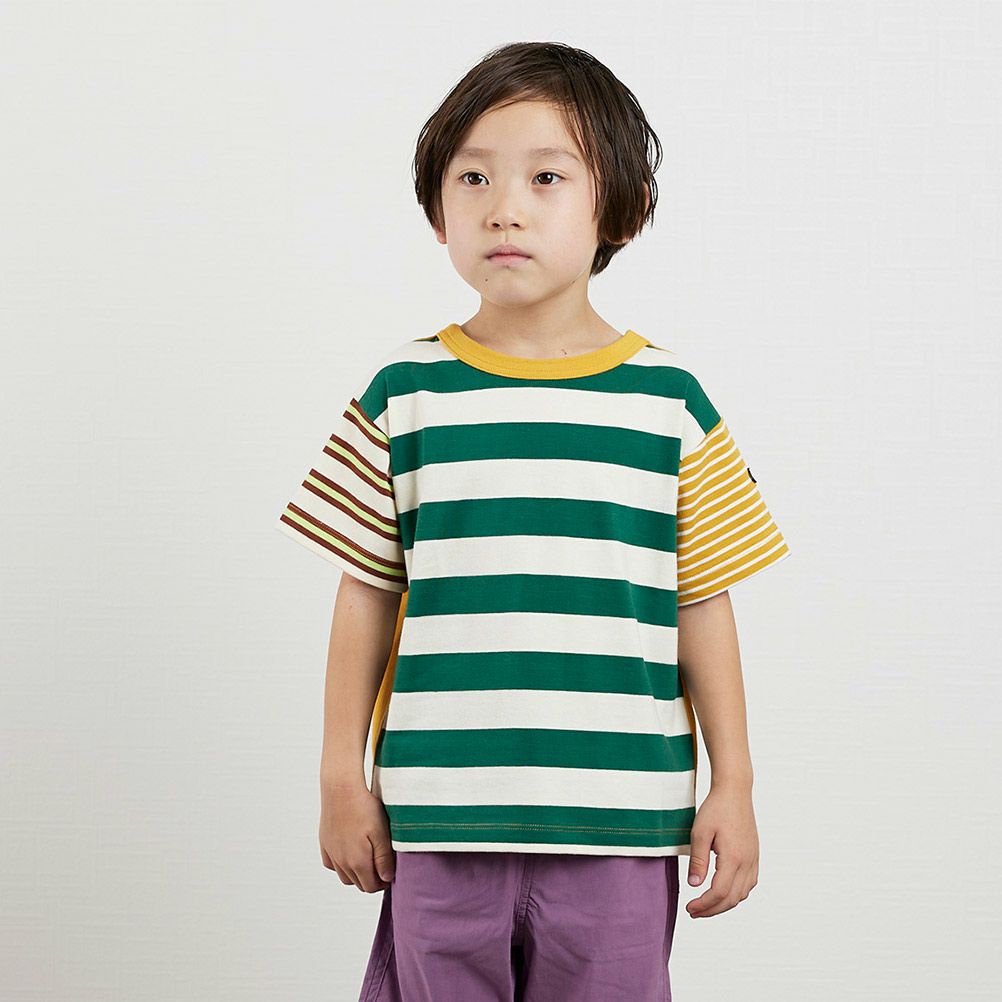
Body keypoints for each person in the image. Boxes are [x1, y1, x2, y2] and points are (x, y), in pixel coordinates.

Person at [275, 40, 792, 1002]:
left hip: (623, 824)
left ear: (619, 210)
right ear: (438, 211)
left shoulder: (669, 402)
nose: (503, 207)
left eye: (546, 178)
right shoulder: (405, 393)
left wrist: (737, 783)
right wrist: (340, 776)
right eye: (473, 177)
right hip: (439, 819)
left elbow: (702, 603)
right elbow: (365, 595)